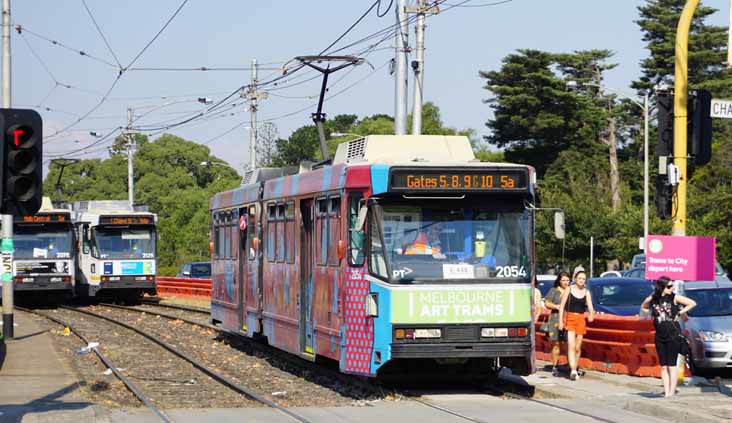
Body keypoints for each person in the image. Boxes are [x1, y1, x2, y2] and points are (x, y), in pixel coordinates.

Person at [641, 276, 696, 398]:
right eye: (669, 286)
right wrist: (650, 310)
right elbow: (644, 306)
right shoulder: (654, 299)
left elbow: (692, 303)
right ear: (661, 287)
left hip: (673, 335)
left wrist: (680, 313)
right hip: (660, 336)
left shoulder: (674, 297)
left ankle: (671, 392)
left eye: (672, 286)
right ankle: (666, 391)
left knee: (672, 365)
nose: (672, 288)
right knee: (663, 366)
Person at [558, 270, 595, 381]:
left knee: (578, 348)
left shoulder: (586, 292)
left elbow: (590, 306)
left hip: (580, 319)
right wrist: (560, 321)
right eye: (580, 278)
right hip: (570, 318)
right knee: (571, 346)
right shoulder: (569, 289)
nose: (581, 281)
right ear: (575, 278)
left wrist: (591, 314)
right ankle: (573, 370)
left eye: (584, 279)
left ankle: (575, 366)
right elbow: (562, 306)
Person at [544, 271, 570, 377]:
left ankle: (571, 365)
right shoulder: (554, 291)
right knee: (556, 344)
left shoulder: (571, 291)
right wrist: (556, 306)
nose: (565, 282)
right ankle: (555, 366)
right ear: (559, 281)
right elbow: (546, 303)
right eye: (563, 280)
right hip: (555, 319)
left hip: (569, 319)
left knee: (569, 344)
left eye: (567, 280)